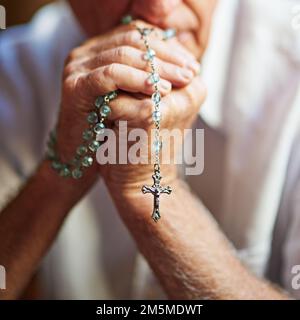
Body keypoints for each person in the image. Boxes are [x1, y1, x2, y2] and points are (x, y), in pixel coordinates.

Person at [0, 0, 299, 299]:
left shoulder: (291, 75)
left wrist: (151, 189)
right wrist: (59, 174)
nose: (160, 8)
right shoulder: (16, 73)